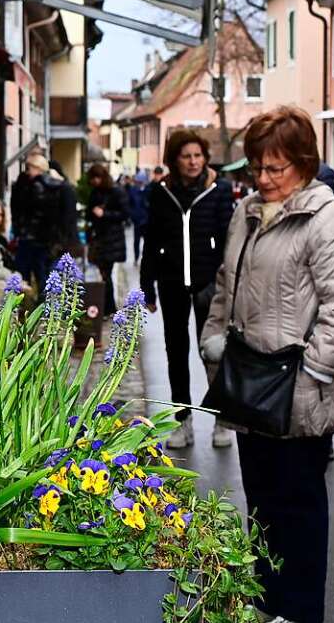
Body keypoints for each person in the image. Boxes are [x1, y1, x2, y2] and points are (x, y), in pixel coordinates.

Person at [200, 106, 334, 623]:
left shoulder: (328, 219)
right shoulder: (246, 211)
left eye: (276, 168)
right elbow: (227, 284)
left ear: (305, 161)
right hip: (249, 386)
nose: (264, 179)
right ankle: (265, 605)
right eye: (256, 167)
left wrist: (314, 374)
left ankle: (299, 612)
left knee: (300, 512)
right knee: (262, 506)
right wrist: (213, 341)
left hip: (298, 394)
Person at [140, 129, 234, 448]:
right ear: (174, 160)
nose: (193, 162)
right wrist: (146, 285)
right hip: (171, 281)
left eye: (198, 155)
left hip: (209, 281)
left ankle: (222, 419)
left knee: (212, 350)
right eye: (186, 156)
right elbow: (151, 239)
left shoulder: (219, 190)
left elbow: (228, 238)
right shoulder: (160, 192)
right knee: (176, 353)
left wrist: (229, 281)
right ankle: (183, 420)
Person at [10, 153, 64, 289]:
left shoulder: (33, 186)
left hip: (34, 238)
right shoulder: (52, 185)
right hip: (39, 238)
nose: (29, 172)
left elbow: (22, 210)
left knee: (32, 275)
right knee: (40, 275)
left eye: (31, 168)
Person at [85, 163, 128, 314]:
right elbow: (89, 213)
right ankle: (107, 307)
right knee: (103, 273)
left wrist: (105, 214)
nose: (95, 181)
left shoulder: (116, 191)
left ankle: (108, 308)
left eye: (97, 178)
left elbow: (125, 214)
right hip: (99, 239)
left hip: (111, 239)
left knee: (106, 273)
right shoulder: (95, 193)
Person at [127, 170, 150, 264]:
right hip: (137, 220)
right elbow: (129, 204)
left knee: (147, 242)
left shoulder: (148, 190)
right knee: (136, 241)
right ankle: (136, 258)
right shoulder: (133, 190)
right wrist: (132, 215)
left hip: (147, 220)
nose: (140, 183)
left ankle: (146, 258)